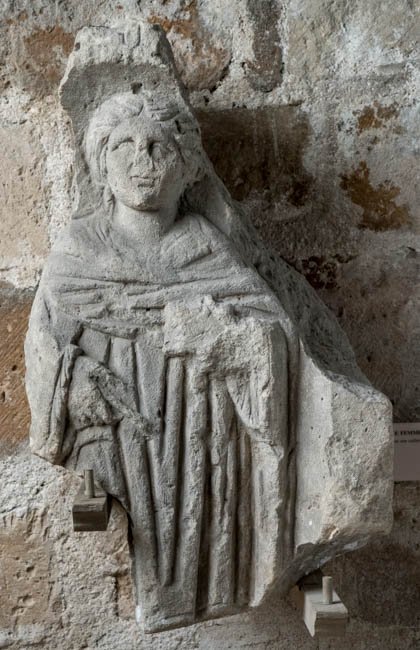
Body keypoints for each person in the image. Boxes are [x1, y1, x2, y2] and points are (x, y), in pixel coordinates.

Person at [25, 90, 372, 632]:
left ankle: (232, 581)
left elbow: (275, 334)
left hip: (205, 437)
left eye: (158, 147)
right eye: (124, 146)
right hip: (118, 434)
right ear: (100, 163)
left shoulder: (205, 245)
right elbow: (43, 344)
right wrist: (72, 381)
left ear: (187, 166)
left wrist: (227, 339)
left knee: (203, 526)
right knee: (141, 515)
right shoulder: (79, 250)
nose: (142, 161)